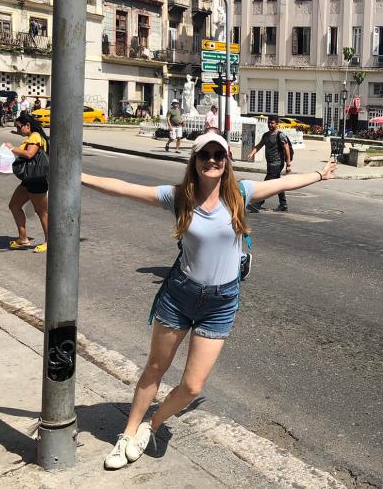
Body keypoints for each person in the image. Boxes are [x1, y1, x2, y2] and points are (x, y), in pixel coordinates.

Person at [81, 133, 336, 470]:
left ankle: (151, 426)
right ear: (195, 161)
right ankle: (127, 434)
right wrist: (77, 175)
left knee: (191, 386)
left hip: (220, 302)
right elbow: (124, 188)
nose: (212, 161)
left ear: (227, 160)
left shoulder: (241, 193)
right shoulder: (178, 197)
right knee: (155, 368)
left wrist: (319, 174)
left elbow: (285, 182)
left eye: (219, 155)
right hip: (179, 295)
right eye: (205, 155)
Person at [5, 113, 49, 253]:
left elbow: (30, 154)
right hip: (28, 180)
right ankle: (23, 239)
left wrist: (12, 148)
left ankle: (50, 241)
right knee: (14, 205)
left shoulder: (35, 136)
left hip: (37, 179)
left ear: (27, 125)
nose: (18, 130)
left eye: (19, 127)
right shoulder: (31, 137)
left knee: (42, 212)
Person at [246, 115, 292, 212]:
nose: (270, 125)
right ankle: (283, 204)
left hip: (277, 163)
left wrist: (288, 164)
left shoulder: (280, 135)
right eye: (269, 123)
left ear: (277, 124)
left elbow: (286, 148)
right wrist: (252, 153)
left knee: (267, 183)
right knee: (278, 183)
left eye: (272, 123)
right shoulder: (266, 135)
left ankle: (258, 203)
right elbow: (259, 145)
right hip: (270, 163)